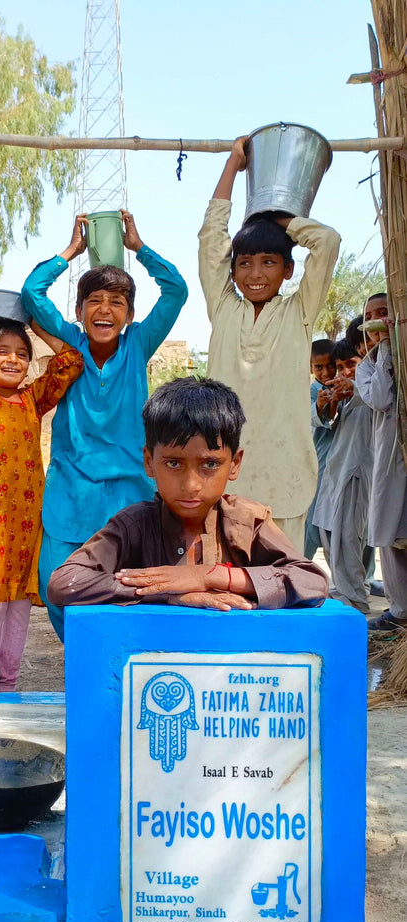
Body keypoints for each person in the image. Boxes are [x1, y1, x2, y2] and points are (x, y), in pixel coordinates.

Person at [21, 210, 188, 640]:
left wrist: (139, 248)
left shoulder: (139, 345)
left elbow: (176, 291)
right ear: (79, 311)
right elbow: (31, 292)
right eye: (94, 300)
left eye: (116, 302)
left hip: (127, 492)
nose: (105, 309)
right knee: (55, 585)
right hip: (69, 492)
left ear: (129, 314)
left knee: (128, 586)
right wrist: (72, 252)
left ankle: (117, 663)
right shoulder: (71, 344)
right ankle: (81, 654)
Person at [47, 377, 328, 612]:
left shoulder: (247, 522)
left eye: (209, 464)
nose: (191, 484)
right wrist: (163, 592)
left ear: (235, 464)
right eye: (173, 463)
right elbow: (65, 582)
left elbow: (312, 582)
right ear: (148, 462)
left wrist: (209, 577)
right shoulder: (133, 525)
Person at [200, 135, 341, 553]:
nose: (255, 273)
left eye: (268, 261)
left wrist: (278, 220)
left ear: (288, 269)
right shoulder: (225, 308)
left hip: (286, 475)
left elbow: (328, 242)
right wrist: (232, 166)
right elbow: (211, 239)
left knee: (283, 585)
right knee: (226, 582)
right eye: (244, 262)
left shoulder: (298, 312)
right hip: (226, 473)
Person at [0, 291, 83, 692]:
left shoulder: (32, 400)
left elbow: (70, 362)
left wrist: (36, 326)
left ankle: (7, 685)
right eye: (2, 351)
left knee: (19, 605)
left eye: (21, 354)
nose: (12, 359)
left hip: (29, 520)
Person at [354, 293, 407, 630]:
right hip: (390, 458)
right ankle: (400, 610)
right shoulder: (367, 366)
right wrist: (386, 350)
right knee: (390, 534)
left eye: (383, 313)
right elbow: (381, 398)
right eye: (370, 316)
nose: (376, 321)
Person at [311, 336, 373, 612]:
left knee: (349, 539)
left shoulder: (371, 389)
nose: (345, 372)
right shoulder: (346, 393)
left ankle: (354, 602)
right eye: (341, 367)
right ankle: (346, 595)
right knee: (331, 536)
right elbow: (326, 421)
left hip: (356, 473)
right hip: (336, 474)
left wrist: (355, 388)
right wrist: (330, 403)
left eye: (351, 364)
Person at [305, 336, 337, 560]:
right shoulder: (309, 392)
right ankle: (299, 565)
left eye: (330, 366)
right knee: (312, 519)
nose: (325, 372)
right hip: (318, 463)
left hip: (341, 463)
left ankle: (364, 576)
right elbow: (311, 419)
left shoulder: (345, 387)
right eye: (319, 367)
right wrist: (320, 404)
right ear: (310, 367)